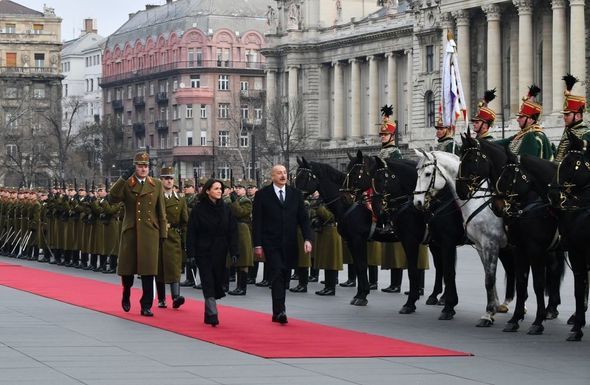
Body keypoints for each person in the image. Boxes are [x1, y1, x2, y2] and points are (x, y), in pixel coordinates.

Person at [109, 152, 168, 317]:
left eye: (146, 166)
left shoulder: (156, 184)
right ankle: (126, 292)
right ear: (135, 167)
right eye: (140, 166)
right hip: (131, 232)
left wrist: (163, 233)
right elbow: (112, 198)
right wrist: (121, 179)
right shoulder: (128, 184)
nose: (143, 169)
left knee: (149, 271)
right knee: (128, 270)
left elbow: (161, 211)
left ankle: (146, 305)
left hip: (150, 232)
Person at [252, 165, 313, 324]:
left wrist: (308, 239)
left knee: (285, 275)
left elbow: (303, 219)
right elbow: (257, 221)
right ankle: (280, 311)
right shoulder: (262, 195)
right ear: (272, 176)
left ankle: (278, 309)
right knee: (278, 272)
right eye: (279, 173)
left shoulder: (295, 194)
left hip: (290, 242)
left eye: (285, 172)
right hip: (270, 242)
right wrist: (257, 244)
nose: (283, 175)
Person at [186, 179, 239, 326]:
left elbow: (232, 231)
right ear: (208, 191)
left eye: (220, 189)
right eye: (216, 188)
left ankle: (208, 313)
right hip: (203, 250)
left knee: (217, 281)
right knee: (207, 281)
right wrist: (190, 254)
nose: (219, 191)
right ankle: (212, 313)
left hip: (220, 251)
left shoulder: (226, 209)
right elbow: (192, 233)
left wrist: (234, 251)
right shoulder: (199, 209)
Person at [156, 167, 189, 309]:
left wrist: (185, 239)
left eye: (171, 178)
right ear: (161, 180)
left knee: (174, 267)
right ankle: (162, 298)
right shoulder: (156, 198)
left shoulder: (180, 199)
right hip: (159, 236)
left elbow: (185, 221)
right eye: (166, 178)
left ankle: (176, 297)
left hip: (174, 237)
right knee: (160, 267)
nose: (169, 181)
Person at [495, 85, 552, 159]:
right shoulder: (522, 134)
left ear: (531, 120)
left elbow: (524, 163)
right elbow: (506, 142)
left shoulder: (533, 136)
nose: (517, 119)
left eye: (521, 117)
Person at [554, 73, 590, 163]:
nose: (564, 118)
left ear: (577, 116)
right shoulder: (568, 131)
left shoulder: (586, 134)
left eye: (567, 115)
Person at [228, 181, 253, 296]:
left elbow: (240, 213)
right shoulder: (237, 201)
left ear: (245, 190)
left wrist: (233, 202)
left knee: (243, 260)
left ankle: (242, 287)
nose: (238, 189)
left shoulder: (246, 201)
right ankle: (239, 286)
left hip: (243, 229)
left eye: (240, 188)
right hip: (235, 229)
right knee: (237, 259)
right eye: (236, 188)